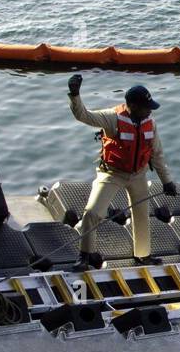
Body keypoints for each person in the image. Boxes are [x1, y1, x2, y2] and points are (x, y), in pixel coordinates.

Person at [65, 74, 174, 269]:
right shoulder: (112, 118)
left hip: (138, 175)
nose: (150, 110)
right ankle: (85, 255)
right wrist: (75, 95)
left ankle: (143, 255)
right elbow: (84, 115)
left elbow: (157, 154)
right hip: (112, 173)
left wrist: (167, 181)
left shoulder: (151, 123)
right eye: (146, 107)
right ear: (132, 105)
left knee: (142, 214)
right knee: (92, 212)